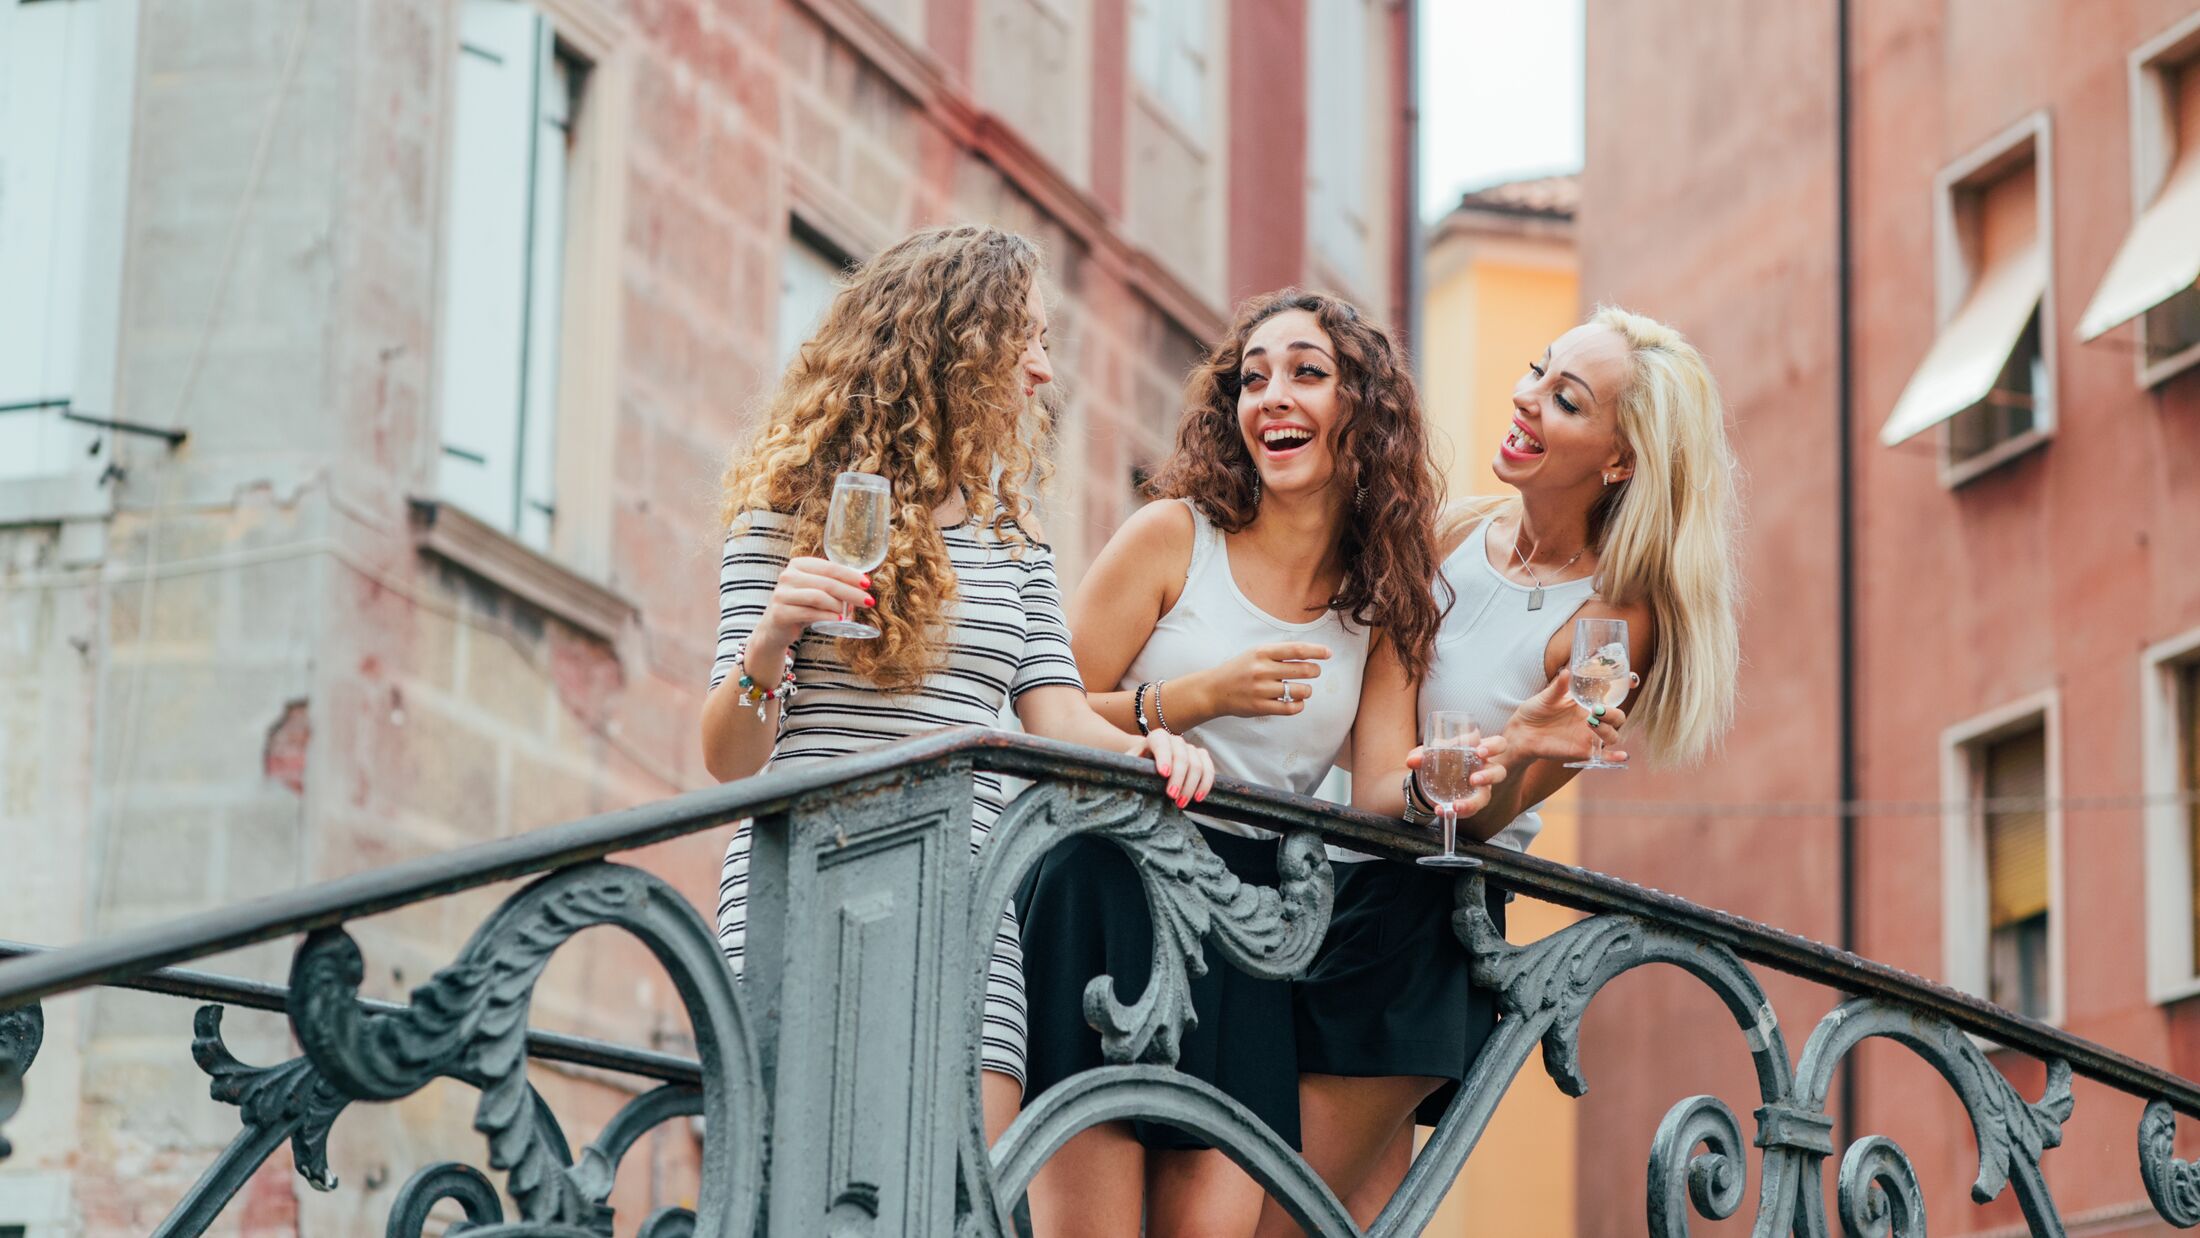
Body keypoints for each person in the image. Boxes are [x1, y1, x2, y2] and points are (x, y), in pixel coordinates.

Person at [699, 224, 1217, 1146]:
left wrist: (1152, 750)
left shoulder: (1013, 534)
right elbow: (729, 760)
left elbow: (1057, 715)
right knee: (794, 1171)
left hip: (966, 894)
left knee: (960, 1174)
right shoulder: (786, 510)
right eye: (1025, 339)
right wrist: (771, 637)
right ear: (952, 342)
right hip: (806, 877)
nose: (1041, 372)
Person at [1015, 290, 1507, 1238]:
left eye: (1307, 374)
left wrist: (1470, 775)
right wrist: (1199, 699)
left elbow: (1372, 796)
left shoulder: (1385, 600)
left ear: (1362, 409)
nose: (1273, 397)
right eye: (1254, 378)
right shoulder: (1173, 535)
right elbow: (1042, 712)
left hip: (1250, 925)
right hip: (1109, 876)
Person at [1262, 305, 1742, 1233]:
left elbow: (1482, 822)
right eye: (1537, 370)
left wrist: (1517, 751)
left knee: (1275, 1216)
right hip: (1311, 878)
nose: (1525, 400)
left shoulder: (1612, 621)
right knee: (1342, 1220)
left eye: (1565, 399)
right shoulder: (1448, 534)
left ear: (1621, 459)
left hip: (1415, 917)